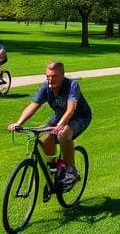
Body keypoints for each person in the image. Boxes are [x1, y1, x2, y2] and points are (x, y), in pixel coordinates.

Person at [7, 61, 92, 191]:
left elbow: (71, 109)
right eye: (48, 76)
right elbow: (33, 106)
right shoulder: (46, 87)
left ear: (62, 75)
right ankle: (54, 169)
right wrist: (19, 123)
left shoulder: (72, 85)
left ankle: (71, 171)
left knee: (63, 133)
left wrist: (59, 126)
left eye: (54, 76)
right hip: (59, 116)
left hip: (80, 116)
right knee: (42, 137)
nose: (50, 79)